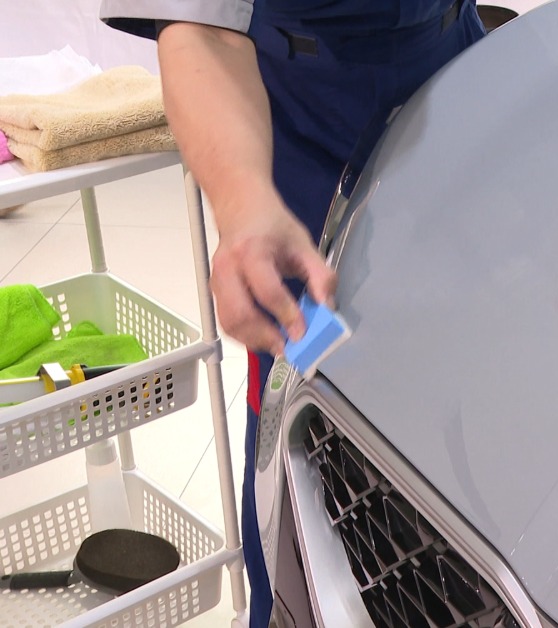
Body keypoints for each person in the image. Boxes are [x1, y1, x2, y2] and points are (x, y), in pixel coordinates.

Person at [98, 1, 487, 624]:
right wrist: (242, 200)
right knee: (312, 415)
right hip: (308, 133)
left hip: (458, 81)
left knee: (462, 383)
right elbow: (202, 31)